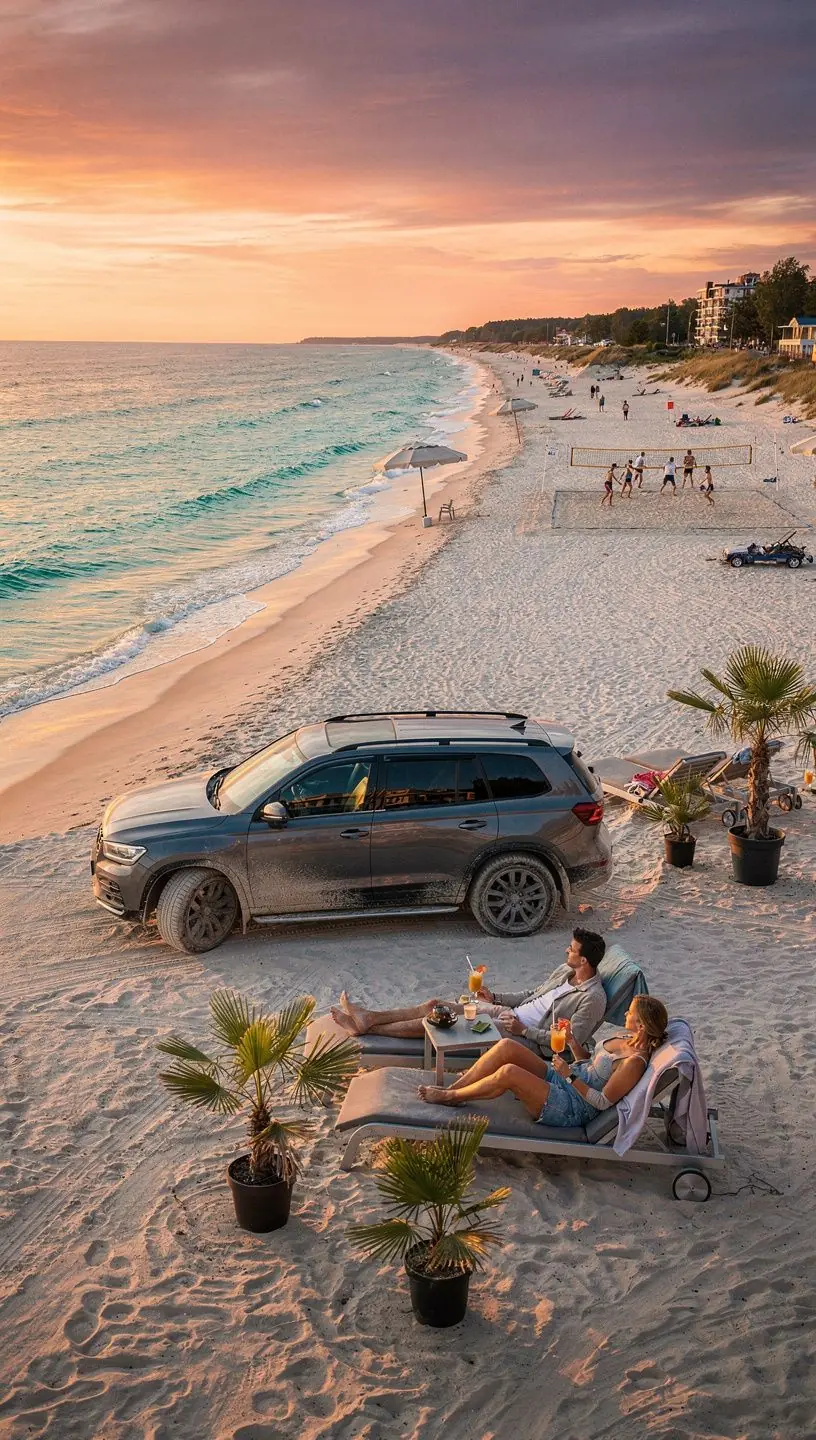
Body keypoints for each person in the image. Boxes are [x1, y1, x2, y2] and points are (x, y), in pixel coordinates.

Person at [331, 927, 609, 1057]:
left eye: (571, 949)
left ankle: (369, 1029)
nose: (566, 950)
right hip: (510, 1014)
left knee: (442, 1021)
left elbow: (570, 1041)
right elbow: (532, 994)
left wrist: (523, 1030)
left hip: (523, 1036)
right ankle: (370, 1018)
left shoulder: (592, 999)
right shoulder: (565, 971)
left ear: (584, 960)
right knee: (435, 1004)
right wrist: (495, 998)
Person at [418, 996, 669, 1121]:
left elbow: (602, 1102)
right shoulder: (626, 1036)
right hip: (568, 1078)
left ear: (643, 1025)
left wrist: (567, 1075)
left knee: (509, 1073)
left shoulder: (634, 1063)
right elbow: (589, 1063)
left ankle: (451, 1098)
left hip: (573, 1106)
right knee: (506, 1046)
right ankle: (453, 1088)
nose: (626, 1013)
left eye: (631, 1012)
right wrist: (571, 1042)